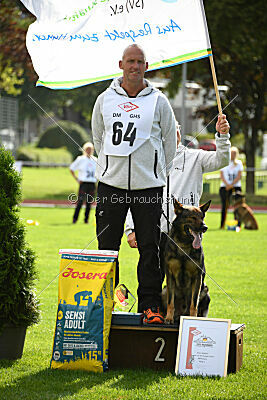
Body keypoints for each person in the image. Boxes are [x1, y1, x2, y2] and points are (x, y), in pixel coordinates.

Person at [92, 43, 177, 324]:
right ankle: (104, 304)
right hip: (110, 185)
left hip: (148, 186)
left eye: (140, 61)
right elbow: (98, 138)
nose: (135, 66)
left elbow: (169, 141)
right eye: (130, 61)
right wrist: (110, 169)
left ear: (146, 66)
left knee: (150, 248)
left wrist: (153, 171)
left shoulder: (159, 101)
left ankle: (150, 307)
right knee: (107, 248)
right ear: (121, 65)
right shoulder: (104, 99)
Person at [125, 114, 231, 310]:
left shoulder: (195, 157)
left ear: (179, 134)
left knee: (195, 283)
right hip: (154, 233)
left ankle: (195, 327)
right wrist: (131, 228)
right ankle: (151, 317)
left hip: (186, 236)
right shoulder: (146, 160)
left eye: (171, 132)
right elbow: (136, 194)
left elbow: (222, 159)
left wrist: (222, 136)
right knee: (151, 283)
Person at [69, 142, 97, 224]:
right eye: (87, 149)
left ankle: (86, 220)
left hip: (92, 183)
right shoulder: (80, 159)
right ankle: (75, 219)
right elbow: (71, 169)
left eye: (90, 149)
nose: (89, 151)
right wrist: (77, 179)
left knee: (89, 203)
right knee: (80, 202)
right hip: (83, 183)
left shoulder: (95, 160)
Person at [219, 146, 243, 229]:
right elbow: (221, 175)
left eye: (235, 153)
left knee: (238, 206)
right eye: (232, 153)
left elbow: (239, 175)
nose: (233, 155)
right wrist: (227, 185)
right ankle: (222, 225)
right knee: (224, 206)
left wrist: (232, 185)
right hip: (224, 187)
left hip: (236, 187)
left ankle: (238, 225)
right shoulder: (224, 162)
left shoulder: (239, 163)